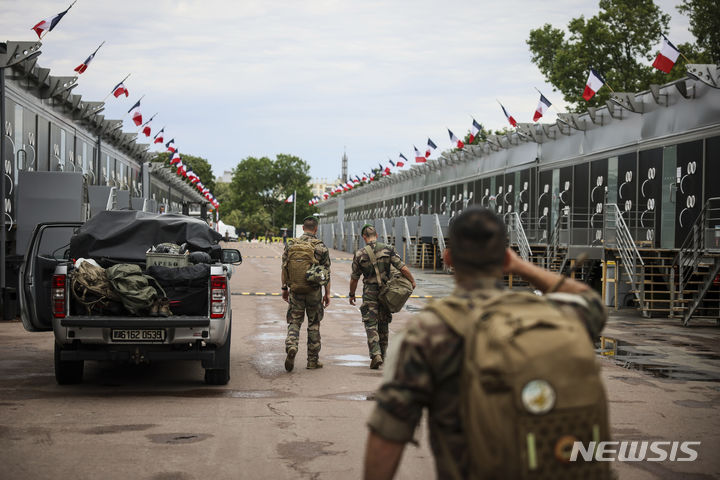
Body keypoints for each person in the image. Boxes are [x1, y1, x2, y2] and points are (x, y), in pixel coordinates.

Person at [363, 207, 607, 479]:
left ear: (448, 258)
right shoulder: (556, 314)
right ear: (504, 258)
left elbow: (388, 435)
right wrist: (521, 266)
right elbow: (592, 304)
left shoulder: (428, 334)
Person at [349, 225, 416, 369]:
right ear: (377, 235)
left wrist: (351, 294)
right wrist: (412, 281)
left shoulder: (360, 253)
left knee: (370, 324)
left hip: (369, 293)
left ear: (364, 237)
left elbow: (354, 278)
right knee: (384, 323)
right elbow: (402, 268)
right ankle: (383, 356)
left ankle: (375, 354)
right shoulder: (388, 249)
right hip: (386, 292)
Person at [281, 216, 331, 371]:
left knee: (294, 321)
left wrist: (284, 288)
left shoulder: (291, 245)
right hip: (314, 291)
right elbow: (326, 273)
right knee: (313, 324)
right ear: (316, 229)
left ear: (303, 228)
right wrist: (327, 294)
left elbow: (284, 268)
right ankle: (312, 361)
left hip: (295, 290)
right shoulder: (321, 247)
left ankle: (292, 345)